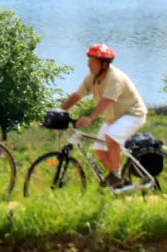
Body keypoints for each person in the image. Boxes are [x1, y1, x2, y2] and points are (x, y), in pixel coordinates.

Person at [59, 43, 147, 189]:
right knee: (98, 148)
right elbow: (77, 95)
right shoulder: (92, 78)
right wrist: (60, 110)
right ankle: (119, 182)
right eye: (88, 61)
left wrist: (91, 117)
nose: (89, 65)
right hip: (114, 118)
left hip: (132, 114)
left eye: (93, 62)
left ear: (104, 65)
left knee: (111, 137)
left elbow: (106, 100)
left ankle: (116, 174)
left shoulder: (115, 78)